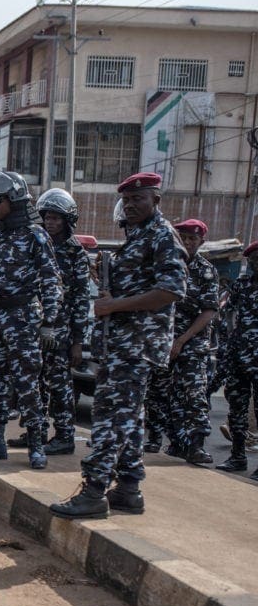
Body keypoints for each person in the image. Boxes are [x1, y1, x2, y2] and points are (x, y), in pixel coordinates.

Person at [51, 172, 187, 519]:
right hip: (121, 343)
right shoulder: (139, 235)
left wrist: (113, 306)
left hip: (136, 344)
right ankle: (128, 489)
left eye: (138, 199)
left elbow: (171, 291)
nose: (130, 205)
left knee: (110, 417)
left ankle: (94, 491)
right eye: (126, 200)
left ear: (156, 199)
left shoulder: (162, 235)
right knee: (129, 417)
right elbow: (138, 284)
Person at [0, 170, 61, 470]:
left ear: (14, 199)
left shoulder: (36, 235)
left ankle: (35, 444)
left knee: (26, 383)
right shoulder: (1, 235)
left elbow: (51, 280)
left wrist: (49, 322)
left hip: (22, 318)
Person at [143, 219, 219, 464]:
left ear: (201, 242)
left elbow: (208, 312)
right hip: (161, 339)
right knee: (158, 392)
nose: (187, 242)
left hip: (192, 343)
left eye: (192, 239)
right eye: (183, 237)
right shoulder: (164, 265)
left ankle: (195, 445)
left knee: (193, 393)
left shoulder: (206, 271)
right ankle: (163, 440)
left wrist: (182, 341)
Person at [35, 189, 91, 456]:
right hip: (35, 325)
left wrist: (78, 341)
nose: (50, 222)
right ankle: (36, 430)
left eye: (56, 218)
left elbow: (81, 298)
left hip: (61, 330)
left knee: (59, 385)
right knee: (36, 382)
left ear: (67, 220)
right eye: (47, 217)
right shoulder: (39, 244)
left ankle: (65, 435)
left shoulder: (75, 252)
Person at [215, 240, 258, 477]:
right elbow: (227, 314)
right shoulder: (242, 286)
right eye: (254, 260)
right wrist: (227, 345)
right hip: (239, 357)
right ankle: (238, 456)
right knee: (237, 409)